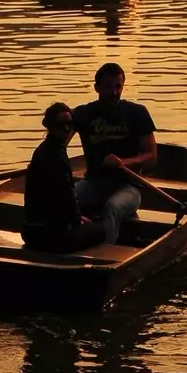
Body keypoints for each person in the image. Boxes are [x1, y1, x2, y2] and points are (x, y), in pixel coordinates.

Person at [69, 62, 158, 245]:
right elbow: (60, 142)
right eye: (108, 86)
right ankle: (67, 243)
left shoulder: (137, 113)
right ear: (97, 87)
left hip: (129, 187)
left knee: (113, 207)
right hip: (93, 182)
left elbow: (151, 155)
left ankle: (105, 255)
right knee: (66, 200)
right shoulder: (84, 113)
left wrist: (124, 163)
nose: (115, 92)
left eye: (118, 86)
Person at [21, 102, 105, 252]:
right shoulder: (58, 156)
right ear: (49, 126)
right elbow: (67, 195)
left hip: (30, 233)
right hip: (52, 237)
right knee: (100, 230)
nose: (67, 129)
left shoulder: (41, 150)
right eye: (60, 125)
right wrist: (77, 219)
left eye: (69, 124)